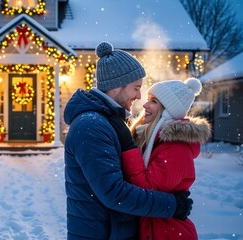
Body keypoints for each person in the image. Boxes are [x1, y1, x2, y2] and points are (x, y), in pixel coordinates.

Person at [63, 42, 193, 239]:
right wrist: (173, 205)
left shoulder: (108, 121)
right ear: (117, 85)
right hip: (100, 234)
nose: (139, 96)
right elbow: (115, 193)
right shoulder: (91, 125)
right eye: (136, 88)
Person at [117, 78, 211, 239]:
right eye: (148, 100)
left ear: (167, 111)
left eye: (153, 101)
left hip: (169, 232)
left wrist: (128, 149)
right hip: (153, 228)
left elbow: (148, 189)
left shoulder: (176, 147)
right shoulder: (150, 139)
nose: (145, 105)